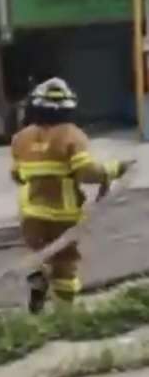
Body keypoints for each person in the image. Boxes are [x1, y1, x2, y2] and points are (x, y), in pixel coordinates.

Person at [10, 77, 133, 313]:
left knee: (38, 253)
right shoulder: (71, 135)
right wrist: (115, 169)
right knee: (65, 264)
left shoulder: (20, 139)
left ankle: (39, 276)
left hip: (31, 215)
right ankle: (64, 316)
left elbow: (17, 176)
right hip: (62, 215)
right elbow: (87, 172)